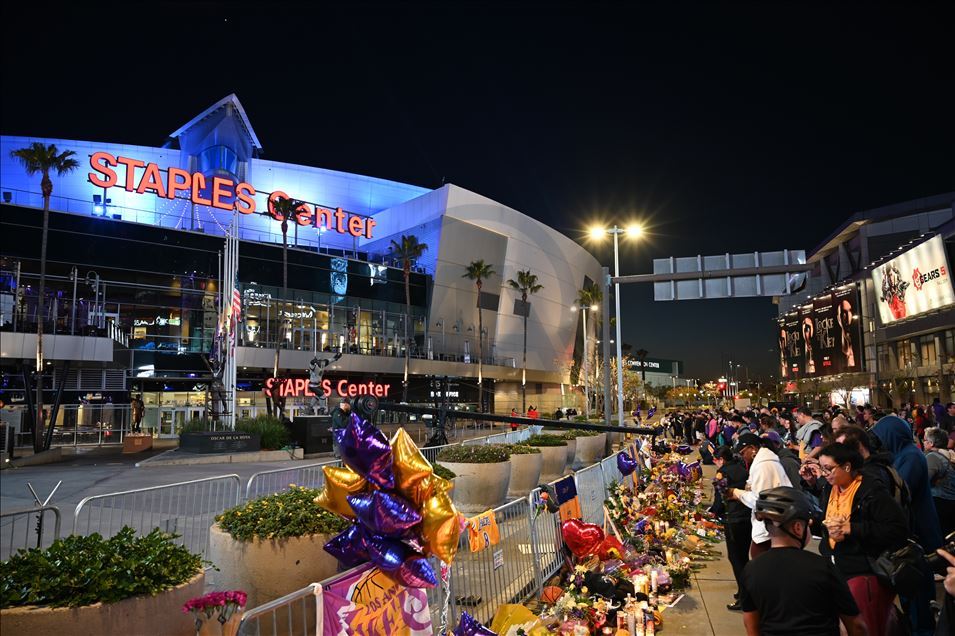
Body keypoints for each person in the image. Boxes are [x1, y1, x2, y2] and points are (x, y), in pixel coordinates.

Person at [739, 486, 867, 636]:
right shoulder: (823, 568)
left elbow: (751, 627)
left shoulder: (751, 570)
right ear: (798, 528)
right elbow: (856, 626)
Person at [817, 443, 908, 635]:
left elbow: (897, 529)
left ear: (847, 466)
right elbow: (826, 519)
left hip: (864, 573)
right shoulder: (831, 488)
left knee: (865, 625)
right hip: (836, 567)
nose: (824, 474)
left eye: (828, 468)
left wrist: (853, 529)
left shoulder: (871, 491)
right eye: (821, 468)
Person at [872, 415, 944, 636]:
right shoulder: (902, 454)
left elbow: (901, 491)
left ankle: (923, 628)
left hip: (919, 529)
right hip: (913, 528)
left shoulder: (910, 456)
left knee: (919, 586)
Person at [727, 433, 793, 558]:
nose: (742, 457)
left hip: (771, 526)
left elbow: (760, 500)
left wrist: (736, 493)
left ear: (752, 448)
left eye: (742, 453)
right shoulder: (762, 462)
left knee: (761, 562)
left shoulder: (764, 465)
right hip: (771, 523)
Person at [713, 445, 751, 611]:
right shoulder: (741, 469)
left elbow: (720, 499)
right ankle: (743, 591)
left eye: (716, 460)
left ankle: (745, 598)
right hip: (747, 517)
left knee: (736, 560)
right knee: (743, 557)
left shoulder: (723, 473)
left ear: (721, 459)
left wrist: (713, 513)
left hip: (734, 519)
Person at [923, 426, 955, 536]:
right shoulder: (947, 454)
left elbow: (924, 480)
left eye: (925, 440)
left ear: (931, 443)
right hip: (949, 501)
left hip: (941, 501)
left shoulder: (933, 457)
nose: (923, 442)